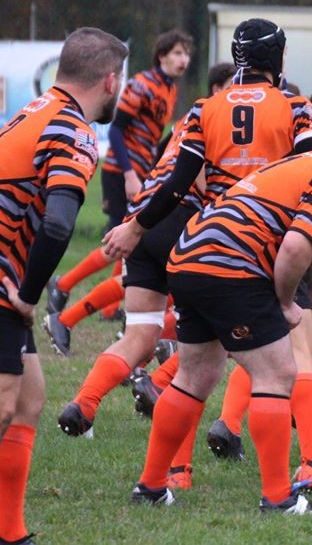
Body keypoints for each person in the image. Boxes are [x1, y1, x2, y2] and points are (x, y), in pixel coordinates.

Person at [128, 117, 312, 514]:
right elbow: (295, 248)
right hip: (231, 264)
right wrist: (286, 303)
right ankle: (277, 498)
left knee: (194, 376)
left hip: (189, 255)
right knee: (278, 374)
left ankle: (151, 487)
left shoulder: (311, 163)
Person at [53, 63, 236, 488]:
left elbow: (165, 166)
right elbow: (201, 178)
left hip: (143, 220)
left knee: (140, 335)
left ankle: (85, 403)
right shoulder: (224, 119)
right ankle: (178, 469)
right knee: (203, 353)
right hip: (179, 223)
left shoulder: (191, 114)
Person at [0, 27, 128, 545]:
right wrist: (29, 296)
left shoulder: (35, 110)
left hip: (6, 273)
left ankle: (10, 533)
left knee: (28, 397)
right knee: (4, 405)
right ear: (110, 80)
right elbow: (57, 225)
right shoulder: (73, 130)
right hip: (4, 280)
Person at [45, 29, 193, 323]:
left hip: (142, 172)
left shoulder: (170, 89)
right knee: (123, 238)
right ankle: (63, 285)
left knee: (131, 240)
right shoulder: (141, 85)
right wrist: (128, 174)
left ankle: (107, 307)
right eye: (177, 53)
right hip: (121, 171)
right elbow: (115, 130)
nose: (184, 59)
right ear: (161, 56)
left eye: (187, 54)